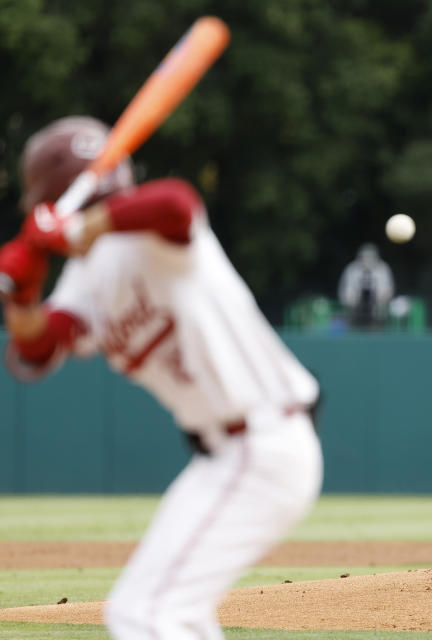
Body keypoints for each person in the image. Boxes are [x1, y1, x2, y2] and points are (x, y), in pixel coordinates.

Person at [0, 116, 322, 639]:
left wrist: (81, 228)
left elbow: (176, 202)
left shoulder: (152, 233)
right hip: (221, 458)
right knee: (161, 611)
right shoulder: (84, 279)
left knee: (144, 614)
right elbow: (37, 347)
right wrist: (20, 293)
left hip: (264, 441)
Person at [337, 242, 394, 328]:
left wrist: (380, 300)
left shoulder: (383, 268)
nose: (367, 259)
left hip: (377, 309)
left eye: (371, 256)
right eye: (365, 256)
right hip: (354, 309)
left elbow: (387, 289)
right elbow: (346, 290)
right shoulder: (352, 269)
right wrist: (352, 300)